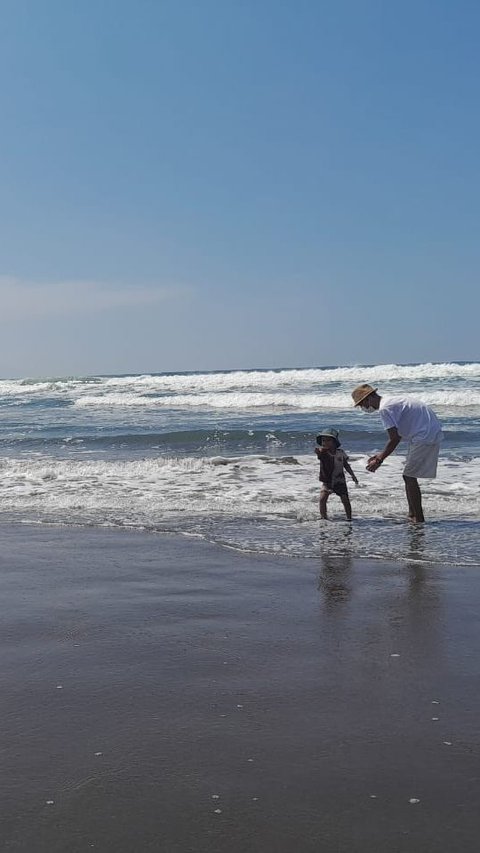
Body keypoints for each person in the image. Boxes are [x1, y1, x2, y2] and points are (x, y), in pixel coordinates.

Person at [351, 383, 443, 523]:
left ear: (368, 399)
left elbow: (394, 439)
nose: (363, 408)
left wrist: (380, 459)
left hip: (424, 435)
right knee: (409, 476)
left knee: (409, 476)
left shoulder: (385, 409)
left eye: (361, 404)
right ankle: (412, 514)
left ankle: (418, 518)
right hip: (427, 432)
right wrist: (381, 455)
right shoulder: (392, 400)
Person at [315, 427, 358, 520]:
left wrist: (353, 475)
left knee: (345, 500)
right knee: (322, 499)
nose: (325, 443)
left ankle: (349, 518)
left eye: (328, 440)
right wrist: (318, 453)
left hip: (340, 480)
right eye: (323, 440)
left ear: (334, 442)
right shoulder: (324, 453)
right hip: (327, 481)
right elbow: (319, 454)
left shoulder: (341, 453)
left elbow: (346, 465)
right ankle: (323, 517)